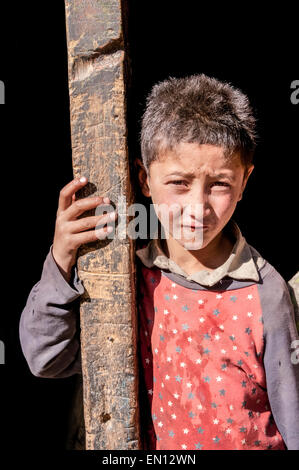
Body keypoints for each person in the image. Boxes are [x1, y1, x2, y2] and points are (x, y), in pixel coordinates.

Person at [19, 74, 299, 450]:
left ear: (245, 182)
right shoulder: (128, 276)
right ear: (144, 179)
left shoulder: (266, 294)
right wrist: (61, 258)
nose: (197, 207)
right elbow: (45, 359)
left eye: (220, 184)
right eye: (179, 183)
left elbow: (293, 415)